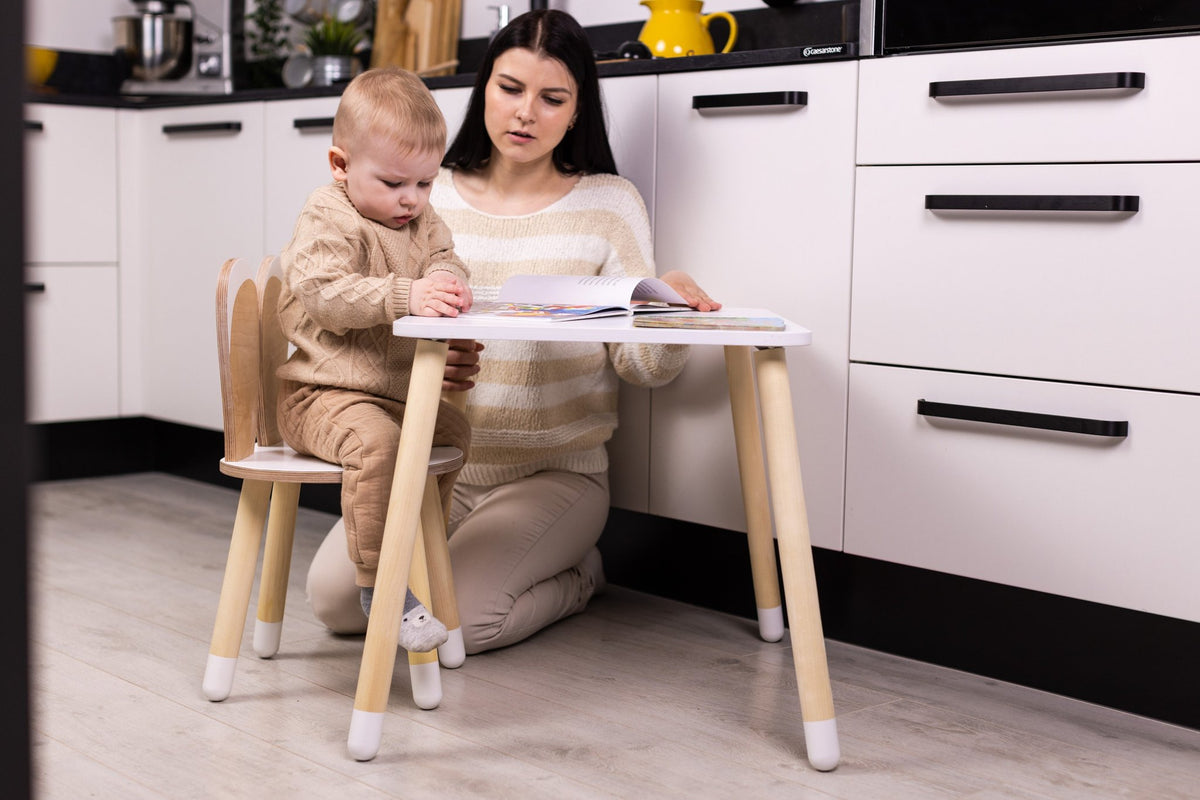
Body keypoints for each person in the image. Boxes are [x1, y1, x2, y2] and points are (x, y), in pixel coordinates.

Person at [305, 9, 721, 654]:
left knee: (457, 627)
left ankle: (581, 576)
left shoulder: (609, 203)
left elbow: (646, 368)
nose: (526, 113)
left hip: (553, 475)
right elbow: (373, 315)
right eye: (509, 89)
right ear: (483, 92)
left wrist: (667, 307)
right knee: (337, 604)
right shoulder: (422, 192)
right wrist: (415, 360)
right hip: (435, 462)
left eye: (552, 98)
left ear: (578, 109)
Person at [276, 66, 474, 653]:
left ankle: (412, 545)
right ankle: (378, 587)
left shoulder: (418, 218)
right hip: (321, 395)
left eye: (426, 184)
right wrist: (406, 294)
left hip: (391, 394)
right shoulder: (328, 216)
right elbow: (322, 291)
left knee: (455, 431)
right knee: (378, 445)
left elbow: (449, 257)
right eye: (393, 183)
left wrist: (444, 279)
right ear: (341, 166)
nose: (411, 200)